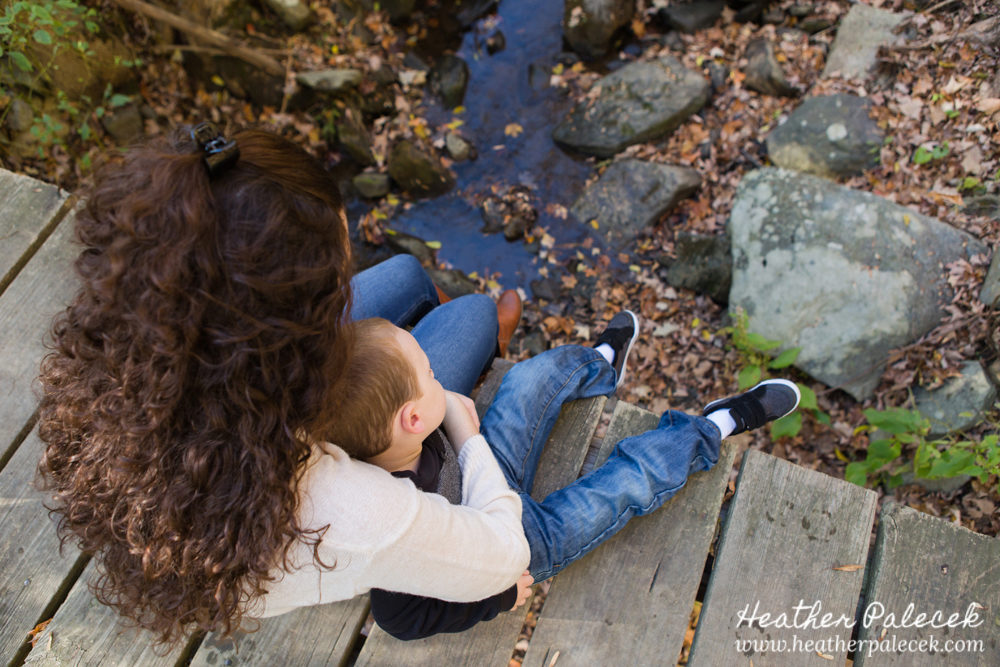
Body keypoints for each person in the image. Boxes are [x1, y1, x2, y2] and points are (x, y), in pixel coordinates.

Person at [35, 124, 521, 645]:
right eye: (333, 281)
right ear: (279, 325)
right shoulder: (345, 507)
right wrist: (464, 432)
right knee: (472, 315)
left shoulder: (148, 341)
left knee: (403, 274)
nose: (345, 281)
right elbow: (504, 556)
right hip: (288, 476)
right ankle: (486, 345)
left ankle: (457, 332)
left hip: (255, 414)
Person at [324, 315, 801, 640]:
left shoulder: (379, 436)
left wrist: (450, 418)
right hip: (511, 551)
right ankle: (714, 426)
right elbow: (400, 619)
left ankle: (601, 365)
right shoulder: (389, 521)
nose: (438, 377)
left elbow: (444, 423)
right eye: (430, 373)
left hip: (486, 471)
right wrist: (496, 597)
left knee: (527, 380)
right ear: (411, 419)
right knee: (623, 484)